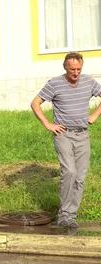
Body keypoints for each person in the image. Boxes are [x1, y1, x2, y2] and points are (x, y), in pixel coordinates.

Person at [31, 52, 101, 229]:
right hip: (64, 135)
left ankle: (71, 216)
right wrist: (48, 124)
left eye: (78, 69)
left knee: (80, 176)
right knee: (69, 171)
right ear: (65, 67)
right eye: (72, 69)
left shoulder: (89, 82)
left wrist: (94, 115)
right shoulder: (54, 84)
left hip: (82, 134)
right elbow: (35, 103)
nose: (76, 73)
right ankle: (63, 215)